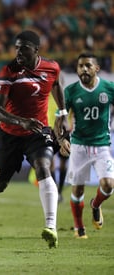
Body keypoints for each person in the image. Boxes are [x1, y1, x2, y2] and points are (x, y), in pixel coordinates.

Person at [0, 30, 69, 249]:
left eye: (23, 47)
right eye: (16, 47)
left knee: (44, 168)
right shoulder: (8, 71)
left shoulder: (51, 67)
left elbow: (56, 85)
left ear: (36, 50)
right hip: (10, 134)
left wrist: (62, 114)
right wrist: (21, 121)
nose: (18, 52)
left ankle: (51, 226)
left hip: (38, 131)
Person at [64, 53, 114, 239]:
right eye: (80, 66)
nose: (84, 69)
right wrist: (62, 138)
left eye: (88, 65)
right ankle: (79, 228)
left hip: (102, 146)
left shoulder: (108, 88)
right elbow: (61, 118)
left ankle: (95, 205)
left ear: (96, 68)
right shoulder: (70, 91)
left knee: (108, 185)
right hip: (79, 146)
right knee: (77, 189)